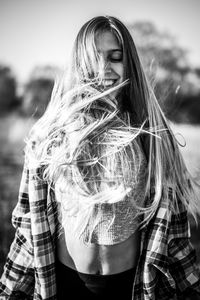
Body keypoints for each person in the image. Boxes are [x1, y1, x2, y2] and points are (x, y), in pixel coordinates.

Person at [0, 15, 200, 300]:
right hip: (64, 284)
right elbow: (27, 227)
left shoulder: (154, 137)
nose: (104, 68)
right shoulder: (50, 136)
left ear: (129, 62)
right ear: (80, 64)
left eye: (115, 57)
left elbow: (177, 237)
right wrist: (9, 293)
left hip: (132, 287)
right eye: (94, 58)